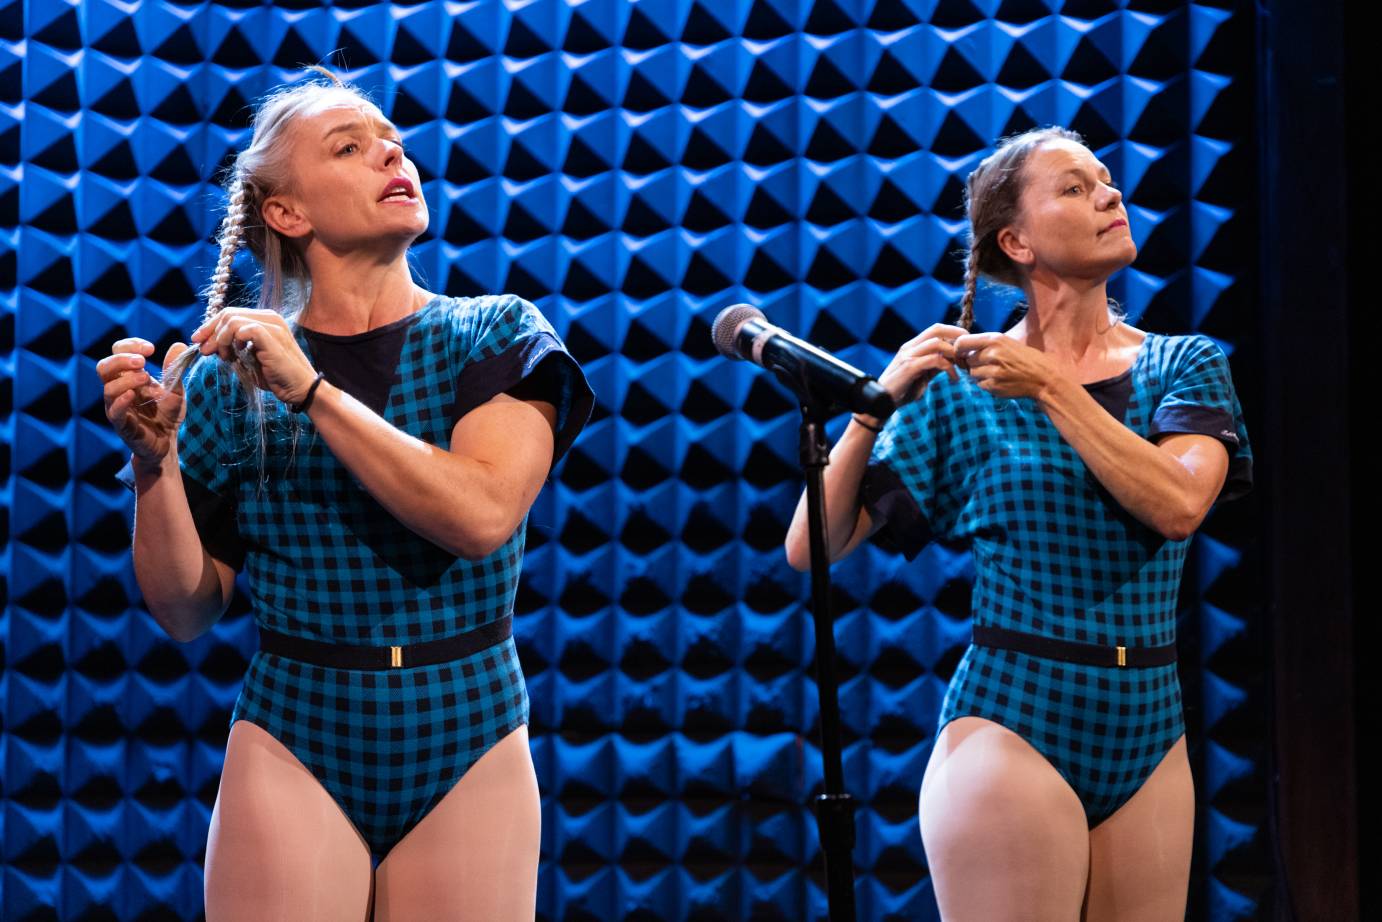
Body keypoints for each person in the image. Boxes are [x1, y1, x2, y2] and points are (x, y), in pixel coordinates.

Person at [98, 67, 592, 921]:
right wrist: (155, 471)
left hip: (468, 720)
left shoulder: (498, 331)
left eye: (393, 141)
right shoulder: (227, 381)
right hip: (296, 723)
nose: (391, 155)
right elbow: (185, 610)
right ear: (287, 213)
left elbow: (479, 517)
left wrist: (312, 391)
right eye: (351, 147)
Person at [785, 126, 1251, 920]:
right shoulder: (964, 390)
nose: (1110, 194)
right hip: (1015, 717)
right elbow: (811, 549)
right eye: (1074, 187)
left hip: (1150, 723)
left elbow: (1178, 506)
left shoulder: (1185, 362)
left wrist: (1050, 386)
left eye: (1106, 180)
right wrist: (875, 407)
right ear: (1017, 241)